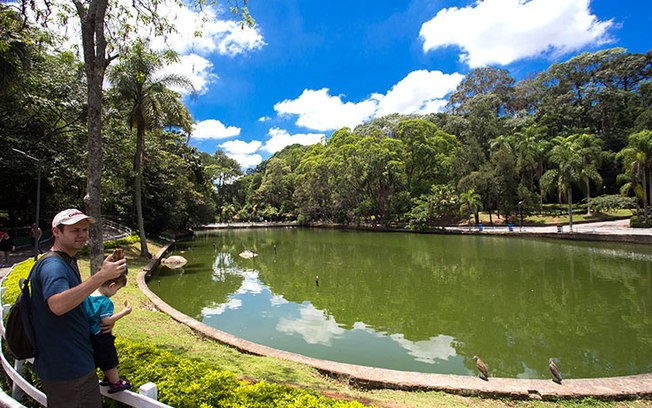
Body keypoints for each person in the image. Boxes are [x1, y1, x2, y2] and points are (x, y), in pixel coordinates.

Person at [30, 209, 127, 407]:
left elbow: (73, 305)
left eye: (84, 229)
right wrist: (101, 277)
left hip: (69, 365)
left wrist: (99, 323)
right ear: (56, 232)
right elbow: (57, 305)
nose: (82, 235)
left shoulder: (67, 261)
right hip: (69, 369)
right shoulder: (54, 266)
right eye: (74, 230)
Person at [81, 270, 133, 393]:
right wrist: (124, 313)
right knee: (109, 358)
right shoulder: (105, 302)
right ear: (112, 286)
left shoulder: (88, 297)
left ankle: (107, 379)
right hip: (102, 335)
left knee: (100, 357)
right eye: (117, 289)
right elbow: (106, 321)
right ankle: (116, 382)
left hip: (90, 335)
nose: (115, 292)